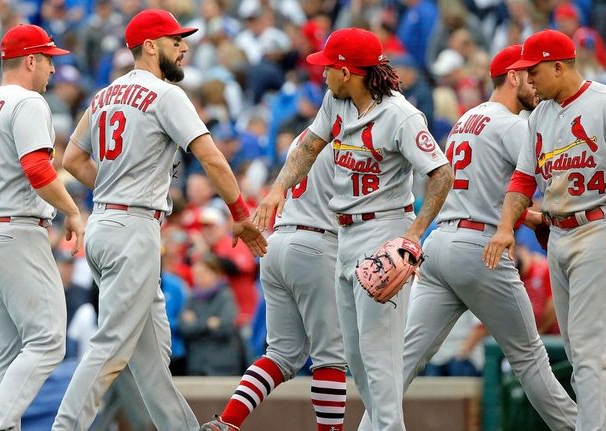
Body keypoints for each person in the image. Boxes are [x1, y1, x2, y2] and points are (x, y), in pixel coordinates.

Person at [56, 9, 267, 431]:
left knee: (152, 358)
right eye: (175, 40)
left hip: (107, 224)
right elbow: (210, 156)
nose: (184, 46)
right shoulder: (165, 94)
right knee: (111, 347)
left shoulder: (103, 94)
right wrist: (240, 214)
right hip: (131, 230)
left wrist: (112, 190)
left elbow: (72, 159)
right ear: (150, 46)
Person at [254, 27, 454, 431]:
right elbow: (310, 145)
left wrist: (414, 234)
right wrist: (278, 189)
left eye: (329, 66)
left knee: (379, 364)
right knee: (360, 362)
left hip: (383, 231)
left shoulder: (400, 115)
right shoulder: (336, 101)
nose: (322, 73)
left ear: (347, 72)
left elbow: (441, 172)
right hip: (344, 234)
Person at [398, 45, 578, 430]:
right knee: (530, 358)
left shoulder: (466, 119)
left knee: (403, 361)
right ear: (512, 76)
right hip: (479, 249)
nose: (533, 83)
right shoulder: (514, 124)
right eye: (527, 75)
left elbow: (483, 190)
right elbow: (552, 180)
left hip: (440, 246)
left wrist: (525, 217)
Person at [484, 29, 606, 430]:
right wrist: (505, 228)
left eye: (534, 71)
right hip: (560, 234)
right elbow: (522, 181)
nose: (528, 80)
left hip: (603, 227)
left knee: (588, 355)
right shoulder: (540, 115)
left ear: (559, 65)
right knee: (579, 356)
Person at [0, 24, 85, 431]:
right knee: (47, 342)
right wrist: (72, 211)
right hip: (16, 231)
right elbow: (37, 168)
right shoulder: (28, 102)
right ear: (30, 60)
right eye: (47, 60)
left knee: (8, 351)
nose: (52, 70)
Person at [202, 129, 347, 431]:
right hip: (316, 242)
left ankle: (227, 422)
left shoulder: (304, 134)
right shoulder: (350, 129)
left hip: (278, 241)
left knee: (281, 355)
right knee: (330, 358)